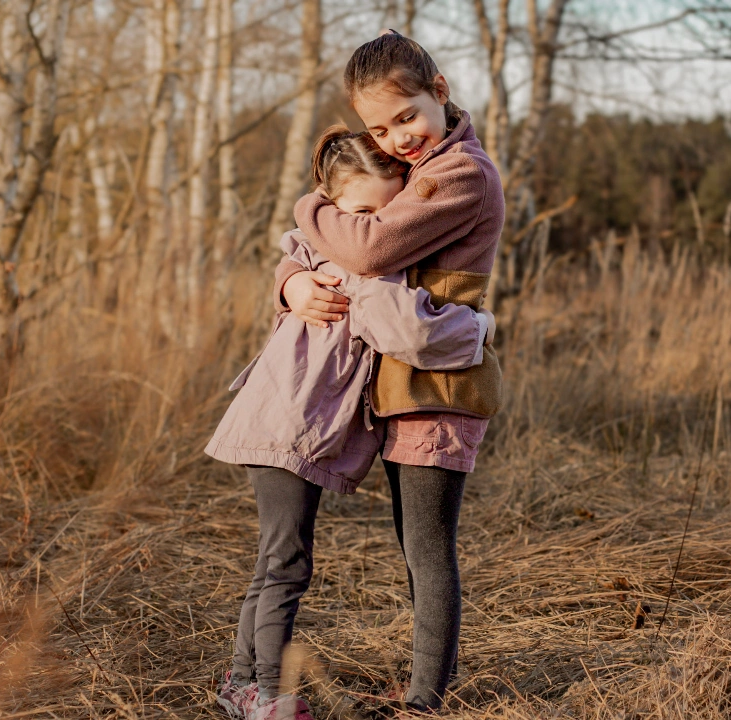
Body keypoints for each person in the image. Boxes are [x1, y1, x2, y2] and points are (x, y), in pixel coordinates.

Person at [208, 125, 496, 720]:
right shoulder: (363, 272)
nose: (372, 230)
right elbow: (412, 332)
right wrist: (481, 328)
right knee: (286, 564)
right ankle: (270, 694)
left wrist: (291, 278)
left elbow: (295, 256)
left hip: (277, 420)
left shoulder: (312, 249)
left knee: (274, 561)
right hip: (289, 427)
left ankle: (241, 684)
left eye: (383, 216)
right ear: (332, 205)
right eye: (360, 214)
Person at [275, 32, 506, 715]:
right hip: (401, 384)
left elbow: (369, 248)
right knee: (414, 545)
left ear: (440, 91)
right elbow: (336, 256)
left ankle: (426, 700)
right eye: (378, 129)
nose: (397, 138)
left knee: (428, 549)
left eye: (406, 117)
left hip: (439, 385)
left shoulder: (460, 175)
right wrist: (291, 280)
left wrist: (309, 207)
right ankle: (422, 686)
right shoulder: (420, 167)